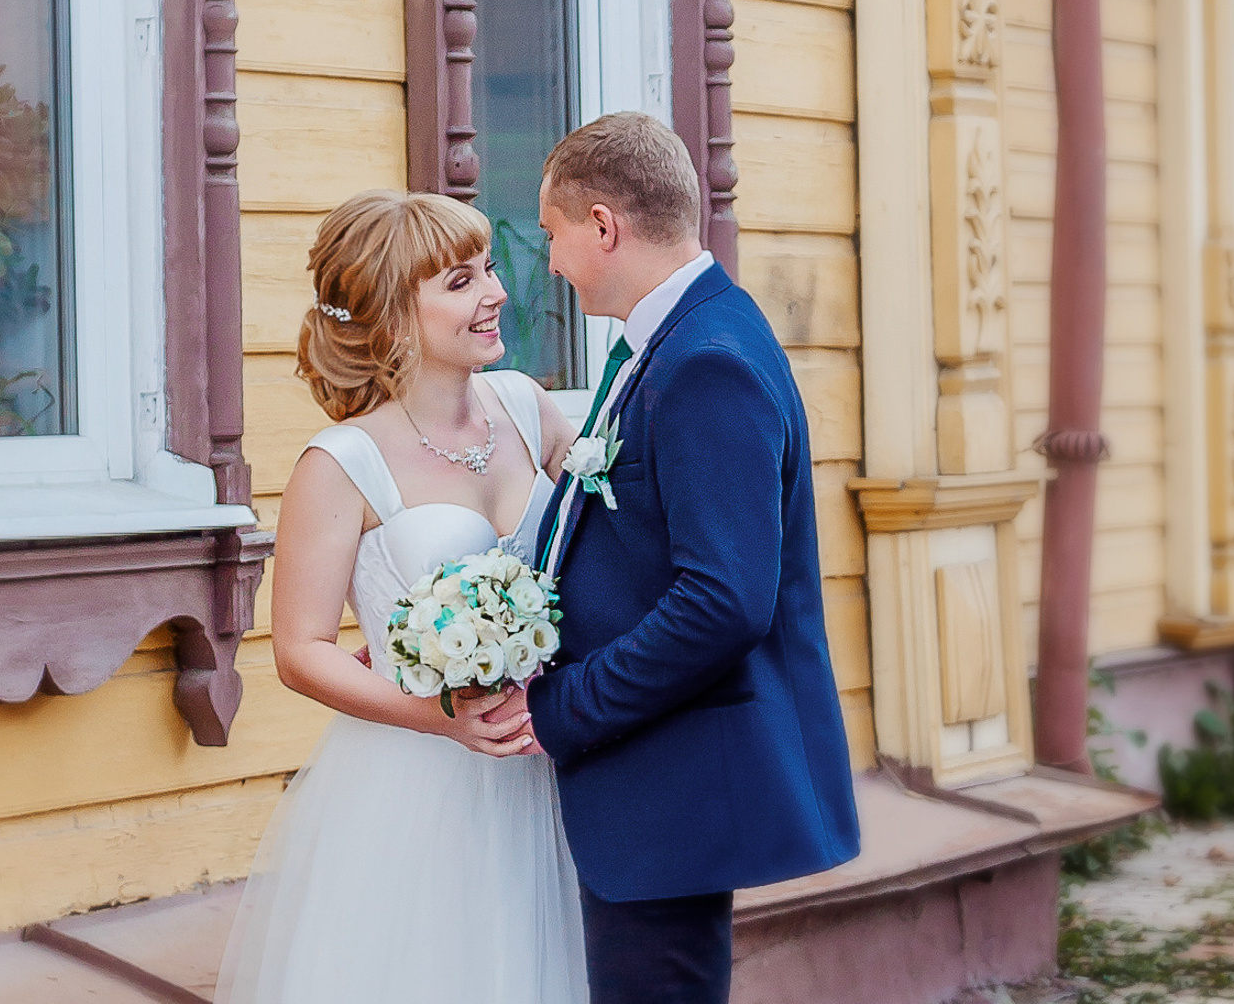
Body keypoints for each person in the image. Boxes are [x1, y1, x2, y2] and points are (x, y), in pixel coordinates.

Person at [216, 189, 589, 1004]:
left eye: (487, 269)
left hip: (544, 767)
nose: (495, 292)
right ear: (391, 314)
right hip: (416, 782)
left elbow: (604, 549)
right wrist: (439, 716)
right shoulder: (340, 463)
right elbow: (300, 650)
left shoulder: (529, 407)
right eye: (460, 281)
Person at [528, 111, 860, 1004]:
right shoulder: (672, 341)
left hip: (669, 784)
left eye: (554, 236)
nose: (551, 263)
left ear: (603, 226)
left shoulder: (707, 360)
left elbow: (723, 600)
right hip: (651, 779)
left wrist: (563, 707)